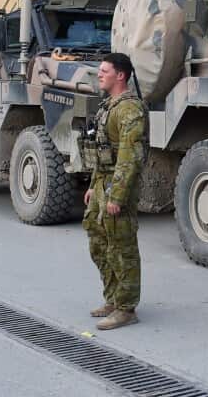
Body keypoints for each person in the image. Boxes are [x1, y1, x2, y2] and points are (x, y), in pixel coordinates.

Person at [80, 52, 147, 330]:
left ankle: (126, 307)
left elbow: (129, 157)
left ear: (121, 75)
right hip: (102, 183)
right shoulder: (109, 105)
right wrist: (93, 185)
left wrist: (117, 197)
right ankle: (112, 298)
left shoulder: (129, 109)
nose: (100, 74)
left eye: (104, 71)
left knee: (122, 246)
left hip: (118, 186)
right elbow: (103, 151)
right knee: (98, 242)